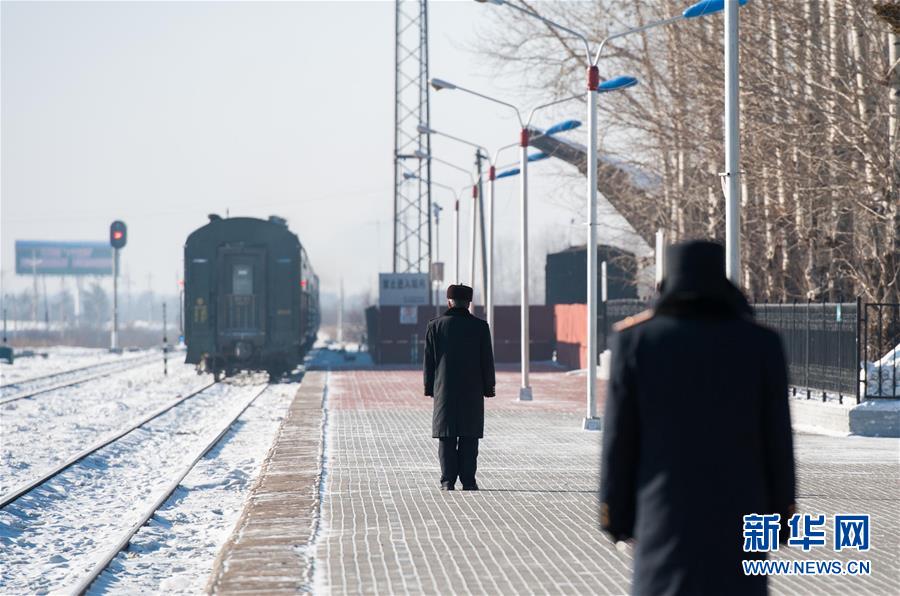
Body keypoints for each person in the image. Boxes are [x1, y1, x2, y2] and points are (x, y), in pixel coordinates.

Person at [600, 240, 796, 596]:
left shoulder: (636, 342)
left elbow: (619, 441)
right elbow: (778, 442)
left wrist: (616, 518)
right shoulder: (760, 343)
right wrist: (781, 517)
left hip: (661, 517)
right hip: (740, 514)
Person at [424, 284, 495, 491]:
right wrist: (488, 387)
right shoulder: (480, 327)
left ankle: (447, 481)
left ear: (449, 301)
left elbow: (429, 361)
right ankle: (469, 481)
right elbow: (487, 361)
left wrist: (429, 387)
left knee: (446, 436)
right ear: (469, 303)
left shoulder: (435, 326)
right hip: (472, 391)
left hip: (444, 389)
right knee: (469, 437)